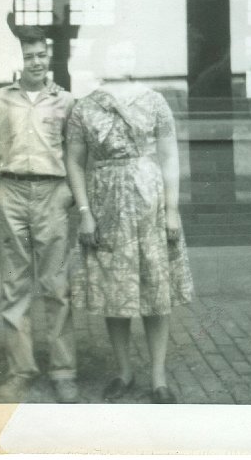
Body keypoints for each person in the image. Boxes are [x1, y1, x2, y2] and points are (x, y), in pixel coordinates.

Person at [65, 41, 194, 404]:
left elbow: (170, 157)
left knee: (156, 289)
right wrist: (85, 211)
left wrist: (171, 209)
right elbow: (74, 160)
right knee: (114, 289)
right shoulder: (85, 107)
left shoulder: (154, 101)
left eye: (128, 52)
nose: (123, 57)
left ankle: (158, 377)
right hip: (106, 204)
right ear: (102, 59)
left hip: (149, 202)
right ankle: (124, 371)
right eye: (115, 52)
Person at [0, 26, 79, 403]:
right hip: (11, 193)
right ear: (18, 60)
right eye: (29, 56)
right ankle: (21, 370)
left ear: (49, 57)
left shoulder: (66, 101)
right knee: (14, 286)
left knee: (56, 286)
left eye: (42, 55)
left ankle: (64, 371)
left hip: (51, 195)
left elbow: (78, 153)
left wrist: (69, 193)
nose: (37, 61)